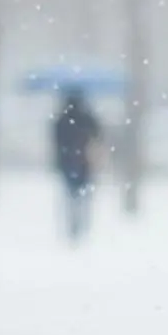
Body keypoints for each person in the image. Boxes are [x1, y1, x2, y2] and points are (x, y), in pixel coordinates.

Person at [51, 87, 103, 243]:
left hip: (67, 164)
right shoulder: (88, 119)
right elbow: (98, 135)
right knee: (83, 196)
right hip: (85, 163)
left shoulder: (62, 120)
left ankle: (72, 225)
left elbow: (56, 142)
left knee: (70, 195)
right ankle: (81, 224)